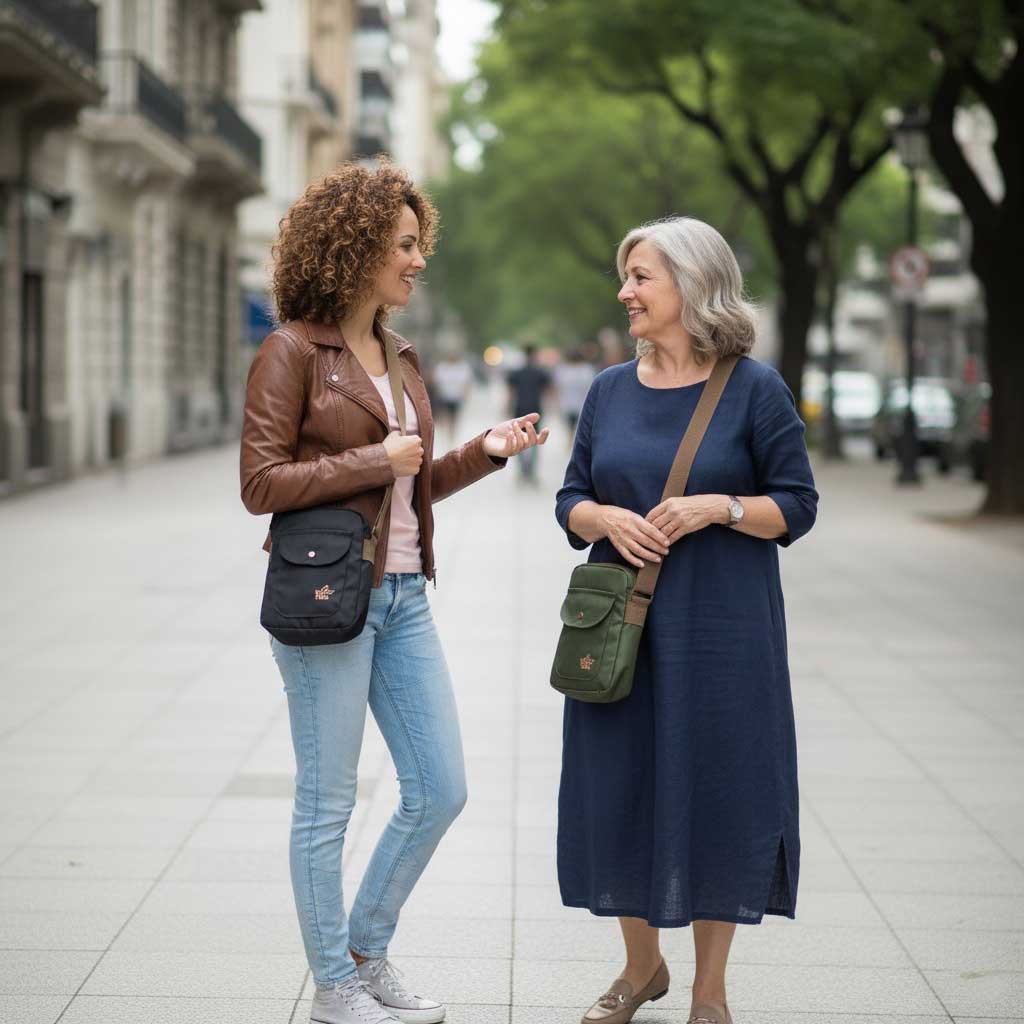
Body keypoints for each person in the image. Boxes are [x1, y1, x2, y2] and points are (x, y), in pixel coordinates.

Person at [240, 162, 548, 1024]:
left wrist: (480, 454)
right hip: (329, 602)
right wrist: (377, 459)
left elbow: (410, 488)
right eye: (404, 246)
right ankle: (334, 987)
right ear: (358, 246)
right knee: (327, 801)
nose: (417, 261)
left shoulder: (403, 358)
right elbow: (260, 482)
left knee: (439, 788)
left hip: (405, 596)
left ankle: (366, 952)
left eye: (420, 246)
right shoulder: (293, 350)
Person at [554, 217, 818, 1024]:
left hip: (723, 631)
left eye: (641, 277)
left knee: (720, 789)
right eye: (626, 275)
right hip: (620, 632)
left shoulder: (755, 388)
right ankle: (641, 968)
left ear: (692, 286)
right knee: (619, 785)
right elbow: (570, 498)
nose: (626, 291)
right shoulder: (606, 390)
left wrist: (721, 506)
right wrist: (603, 520)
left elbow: (797, 505)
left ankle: (710, 989)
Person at [506, 345, 552, 483]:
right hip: (535, 409)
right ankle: (531, 470)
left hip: (519, 408)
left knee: (518, 438)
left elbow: (511, 392)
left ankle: (522, 469)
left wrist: (507, 406)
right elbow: (547, 390)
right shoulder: (541, 372)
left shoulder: (516, 372)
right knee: (536, 439)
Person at [553, 348, 597, 447]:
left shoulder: (562, 370)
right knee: (579, 427)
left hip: (567, 404)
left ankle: (571, 444)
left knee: (571, 427)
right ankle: (573, 444)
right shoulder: (587, 370)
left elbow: (557, 387)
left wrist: (556, 402)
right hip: (582, 403)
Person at [430, 350, 474, 445]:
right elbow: (436, 382)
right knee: (446, 416)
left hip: (457, 397)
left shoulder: (462, 368)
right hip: (444, 396)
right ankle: (447, 433)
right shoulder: (442, 367)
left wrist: (466, 394)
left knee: (454, 417)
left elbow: (467, 383)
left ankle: (452, 434)